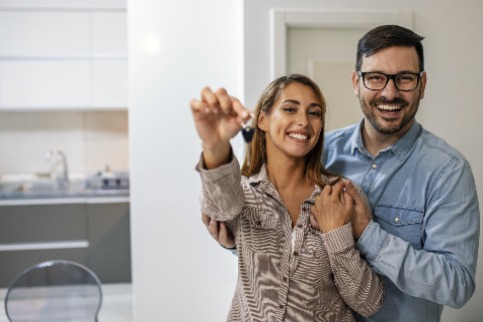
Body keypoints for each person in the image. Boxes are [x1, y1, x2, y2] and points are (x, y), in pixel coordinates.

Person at [203, 25, 480, 322]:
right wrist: (237, 241)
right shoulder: (317, 152)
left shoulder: (447, 171)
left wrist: (367, 233)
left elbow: (457, 286)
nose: (389, 92)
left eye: (404, 79)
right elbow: (286, 249)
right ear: (356, 82)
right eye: (375, 78)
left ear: (422, 85)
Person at [191, 74, 383, 322]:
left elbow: (369, 303)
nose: (303, 121)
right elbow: (220, 206)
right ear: (262, 119)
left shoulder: (339, 195)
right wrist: (215, 145)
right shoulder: (241, 191)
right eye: (290, 109)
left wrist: (336, 234)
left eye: (314, 113)